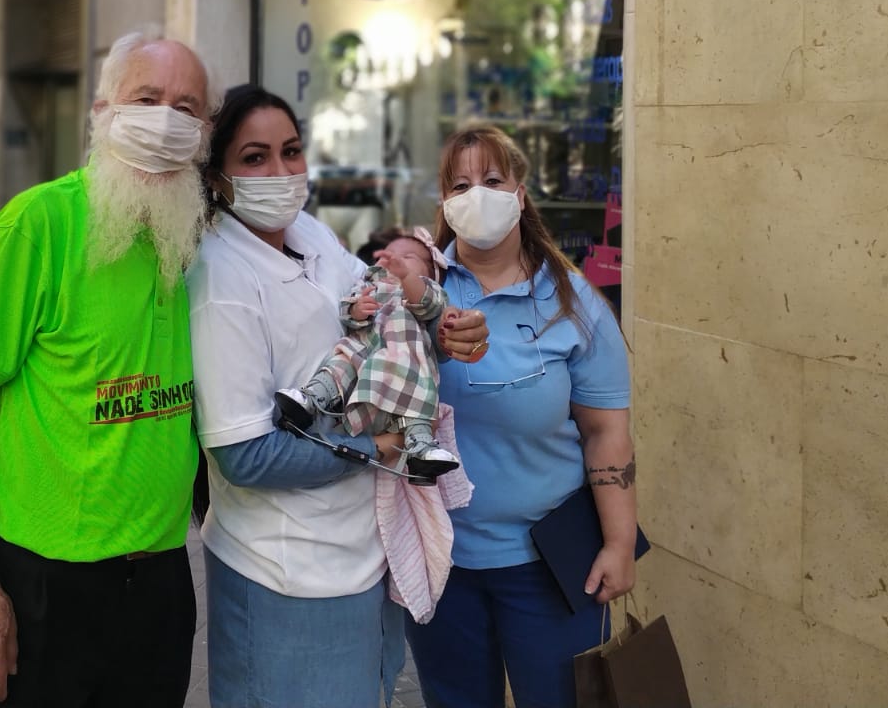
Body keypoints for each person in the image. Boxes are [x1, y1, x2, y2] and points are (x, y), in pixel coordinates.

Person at [0, 29, 214, 708]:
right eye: (147, 98)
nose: (166, 121)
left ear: (205, 133)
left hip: (160, 587)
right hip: (40, 589)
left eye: (188, 107)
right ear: (101, 110)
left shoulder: (191, 241)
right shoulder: (37, 226)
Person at [187, 86, 489, 708]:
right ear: (217, 177)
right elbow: (246, 457)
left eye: (291, 151)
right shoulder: (221, 280)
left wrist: (444, 328)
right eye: (254, 158)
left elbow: (381, 302)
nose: (280, 173)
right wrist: (383, 444)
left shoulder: (311, 233)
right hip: (284, 575)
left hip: (360, 559)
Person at [405, 123, 636, 708]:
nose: (476, 194)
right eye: (460, 184)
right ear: (444, 205)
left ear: (520, 194)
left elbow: (606, 430)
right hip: (441, 562)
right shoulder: (413, 293)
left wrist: (619, 541)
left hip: (552, 565)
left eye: (492, 179)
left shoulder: (573, 302)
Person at [274, 228, 460, 480]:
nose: (396, 260)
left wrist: (407, 277)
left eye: (408, 257)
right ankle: (312, 400)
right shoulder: (371, 284)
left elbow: (427, 306)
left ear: (430, 273)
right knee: (339, 364)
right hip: (362, 351)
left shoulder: (425, 289)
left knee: (419, 393)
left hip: (405, 358)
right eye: (390, 255)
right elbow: (348, 312)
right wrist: (358, 310)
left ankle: (420, 445)